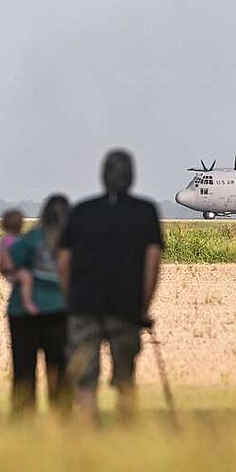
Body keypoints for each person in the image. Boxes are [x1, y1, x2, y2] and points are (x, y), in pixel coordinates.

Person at [58, 149, 164, 425]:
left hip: (84, 306)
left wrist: (70, 302)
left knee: (84, 379)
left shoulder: (81, 211)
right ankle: (125, 434)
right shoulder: (146, 212)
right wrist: (143, 308)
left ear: (103, 177)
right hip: (125, 307)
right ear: (132, 177)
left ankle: (87, 432)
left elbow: (64, 263)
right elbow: (152, 264)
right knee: (125, 376)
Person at [5, 195, 72, 416]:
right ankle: (61, 416)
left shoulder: (33, 237)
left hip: (23, 314)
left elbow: (8, 262)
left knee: (23, 372)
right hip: (59, 312)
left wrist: (20, 275)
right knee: (59, 369)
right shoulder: (73, 242)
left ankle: (23, 419)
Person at [0, 209, 38, 314]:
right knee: (26, 278)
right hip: (11, 268)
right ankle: (27, 303)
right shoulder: (13, 240)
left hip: (6, 269)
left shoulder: (4, 239)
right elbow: (6, 254)